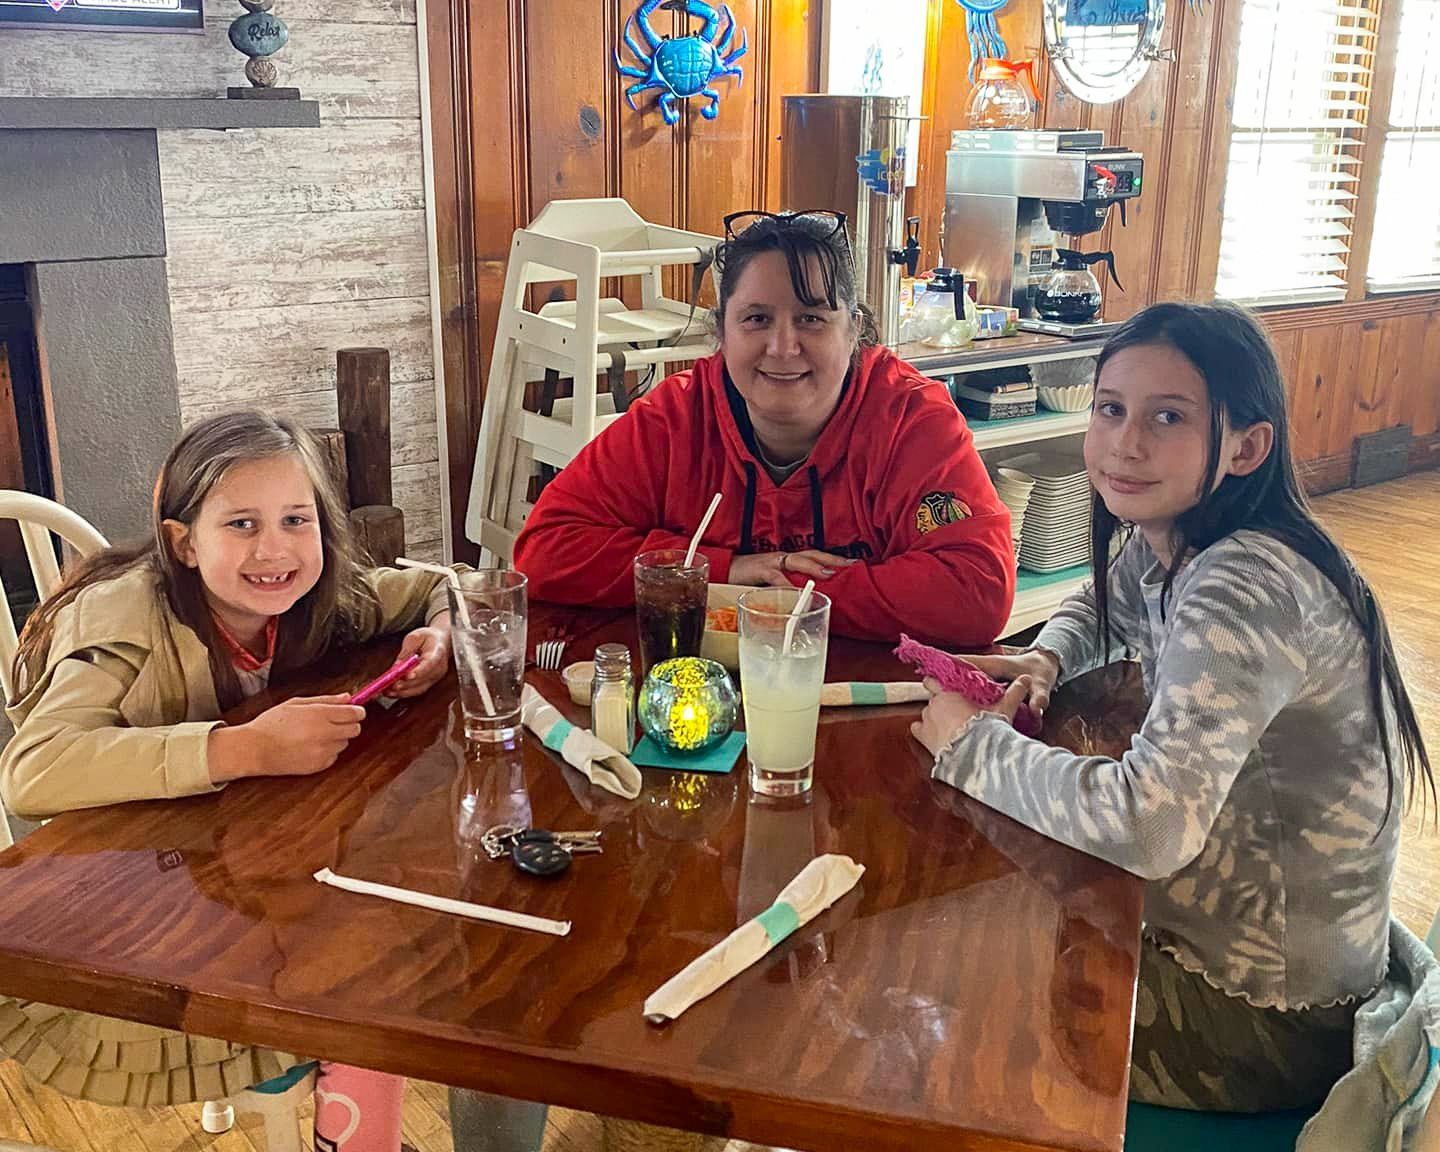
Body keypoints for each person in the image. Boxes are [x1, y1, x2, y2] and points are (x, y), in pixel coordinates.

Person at [910, 301, 1434, 1113]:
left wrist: (969, 744)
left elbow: (1149, 827)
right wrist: (1046, 656)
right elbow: (1100, 600)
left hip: (1267, 1022)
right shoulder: (1185, 538)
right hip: (1271, 964)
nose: (1127, 441)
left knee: (943, 989)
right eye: (1111, 409)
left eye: (1169, 417)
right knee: (988, 914)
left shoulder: (1241, 584)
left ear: (1246, 447)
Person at [1, 411, 457, 1152]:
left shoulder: (315, 597)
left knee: (386, 951)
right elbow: (33, 770)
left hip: (242, 874)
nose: (274, 549)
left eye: (295, 520)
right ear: (184, 542)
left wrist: (434, 635)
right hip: (126, 919)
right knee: (368, 988)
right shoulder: (120, 617)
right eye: (241, 524)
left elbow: (433, 585)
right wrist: (237, 749)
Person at [513, 209, 1016, 648]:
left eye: (812, 318)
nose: (782, 347)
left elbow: (979, 590)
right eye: (756, 318)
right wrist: (722, 570)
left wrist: (790, 594)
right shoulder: (676, 419)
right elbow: (545, 549)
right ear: (721, 334)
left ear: (856, 330)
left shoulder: (912, 420)